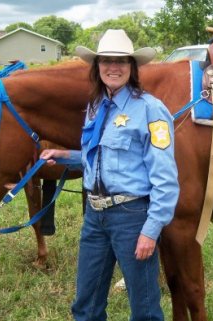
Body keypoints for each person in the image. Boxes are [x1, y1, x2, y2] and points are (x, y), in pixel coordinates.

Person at [40, 29, 179, 321]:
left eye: (121, 61)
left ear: (132, 67)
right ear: (97, 66)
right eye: (106, 61)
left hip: (131, 217)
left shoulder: (151, 110)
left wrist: (150, 231)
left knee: (144, 309)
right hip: (94, 217)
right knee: (86, 305)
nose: (113, 67)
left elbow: (165, 178)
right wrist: (67, 156)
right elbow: (103, 156)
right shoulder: (95, 107)